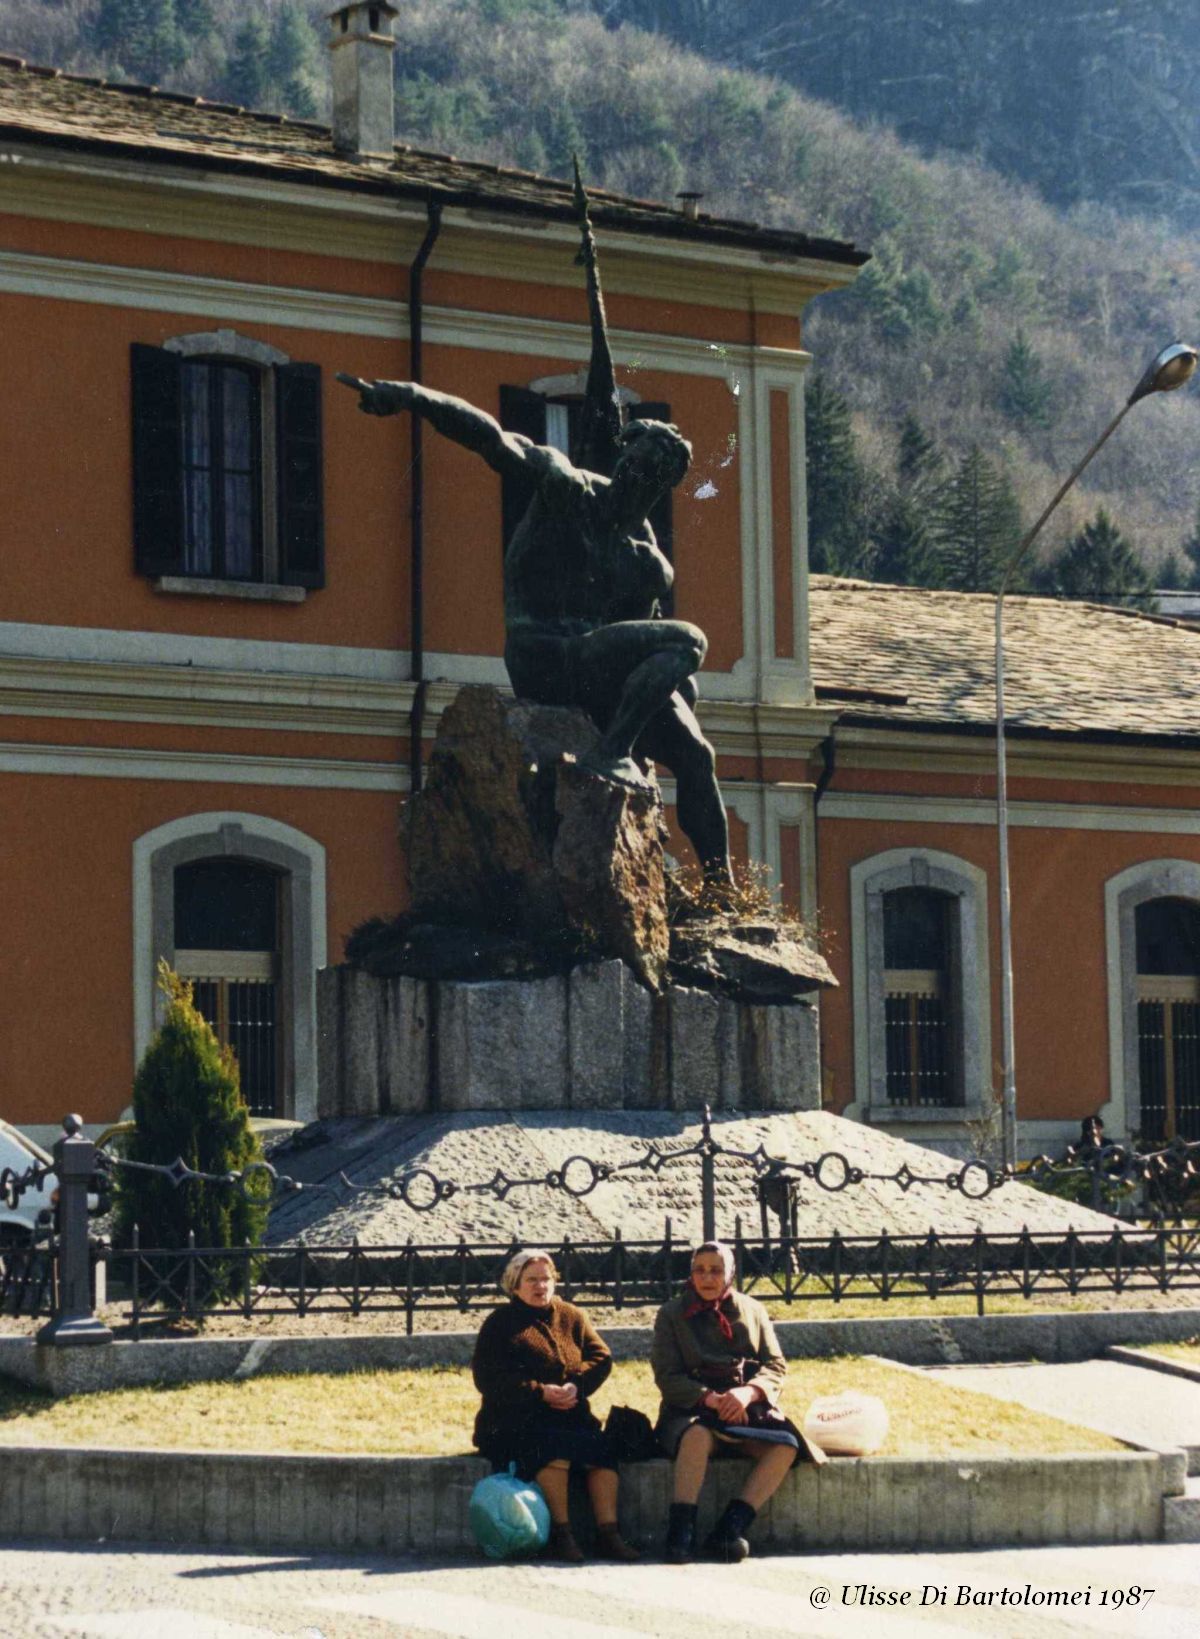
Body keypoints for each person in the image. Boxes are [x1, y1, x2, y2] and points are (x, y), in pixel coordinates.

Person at [337, 166, 733, 886]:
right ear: (622, 458)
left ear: (664, 486)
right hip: (545, 653)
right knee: (690, 638)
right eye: (637, 460)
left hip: (598, 668)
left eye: (657, 473)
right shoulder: (565, 486)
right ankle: (612, 756)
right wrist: (403, 395)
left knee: (698, 751)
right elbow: (489, 434)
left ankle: (725, 890)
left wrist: (674, 700)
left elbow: (654, 660)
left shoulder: (647, 562)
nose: (641, 476)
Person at [651, 1240, 823, 1564]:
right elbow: (667, 1375)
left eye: (716, 1271)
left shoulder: (753, 1310)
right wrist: (710, 1399)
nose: (707, 1278)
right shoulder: (671, 1314)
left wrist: (748, 1393)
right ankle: (681, 1532)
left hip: (744, 1409)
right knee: (697, 1437)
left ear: (730, 1274)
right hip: (692, 1409)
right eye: (700, 1270)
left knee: (786, 1445)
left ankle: (729, 1530)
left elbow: (775, 1365)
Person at [471, 1247, 639, 1563]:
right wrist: (539, 1392)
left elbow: (600, 1357)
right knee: (553, 1449)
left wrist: (577, 1385)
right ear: (514, 1284)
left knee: (602, 1452)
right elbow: (488, 1378)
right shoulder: (500, 1323)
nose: (540, 1286)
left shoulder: (572, 1316)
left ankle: (609, 1533)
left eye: (546, 1279)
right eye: (531, 1279)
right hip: (515, 1420)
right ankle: (562, 1534)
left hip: (570, 1415)